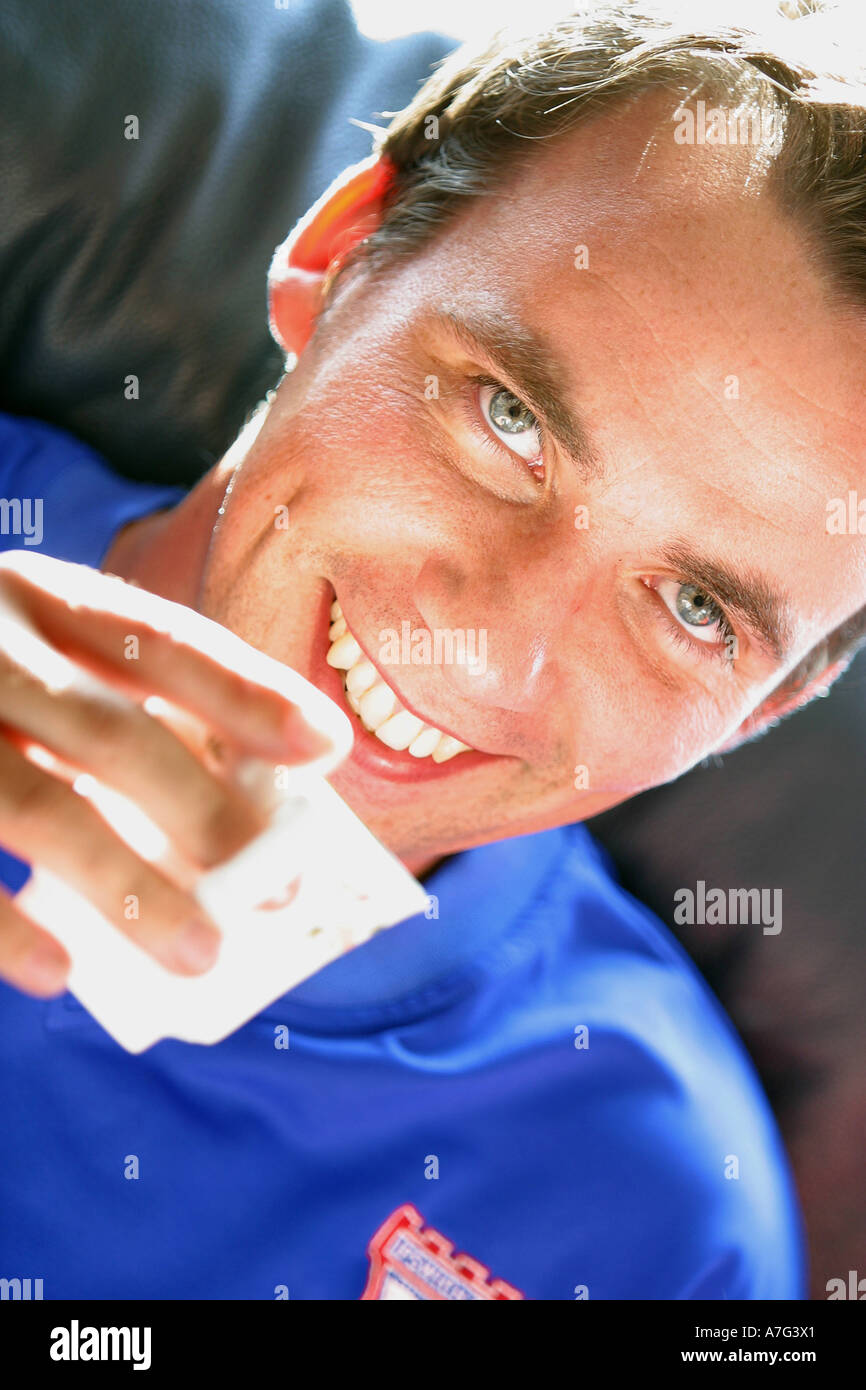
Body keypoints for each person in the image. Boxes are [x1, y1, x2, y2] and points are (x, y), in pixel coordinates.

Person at [2, 1, 864, 1299]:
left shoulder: (654, 1224)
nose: (496, 653)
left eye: (693, 606)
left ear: (760, 708)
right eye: (507, 417)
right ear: (341, 255)